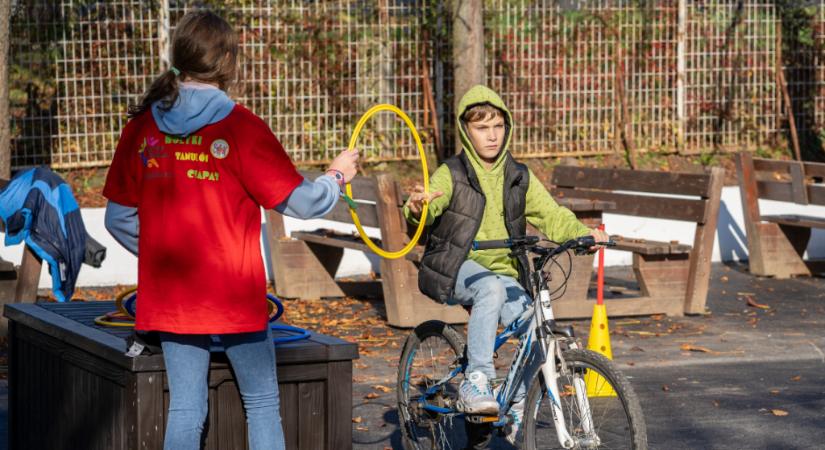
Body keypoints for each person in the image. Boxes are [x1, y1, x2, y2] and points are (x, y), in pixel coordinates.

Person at [102, 11, 358, 450]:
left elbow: (117, 218)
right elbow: (301, 201)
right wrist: (336, 176)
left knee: (185, 408)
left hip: (174, 297)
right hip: (235, 295)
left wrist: (167, 257)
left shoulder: (142, 126)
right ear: (227, 61)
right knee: (261, 404)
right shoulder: (242, 127)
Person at [403, 85, 608, 445]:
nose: (492, 134)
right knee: (491, 288)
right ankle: (477, 380)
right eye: (482, 127)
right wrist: (418, 206)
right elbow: (426, 209)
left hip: (504, 269)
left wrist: (583, 234)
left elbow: (552, 215)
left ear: (507, 126)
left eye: (497, 125)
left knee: (535, 324)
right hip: (456, 265)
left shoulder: (518, 175)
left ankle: (513, 402)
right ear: (467, 131)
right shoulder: (451, 173)